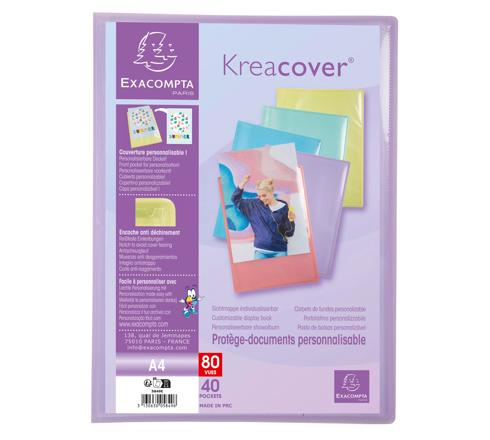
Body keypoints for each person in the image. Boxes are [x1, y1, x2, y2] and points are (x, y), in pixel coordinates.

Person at [231, 175, 296, 260]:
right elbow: (235, 199)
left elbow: (289, 233)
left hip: (280, 251)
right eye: (259, 196)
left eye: (264, 195)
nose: (261, 198)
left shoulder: (283, 206)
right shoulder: (254, 205)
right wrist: (243, 183)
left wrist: (291, 220)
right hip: (261, 251)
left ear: (271, 192)